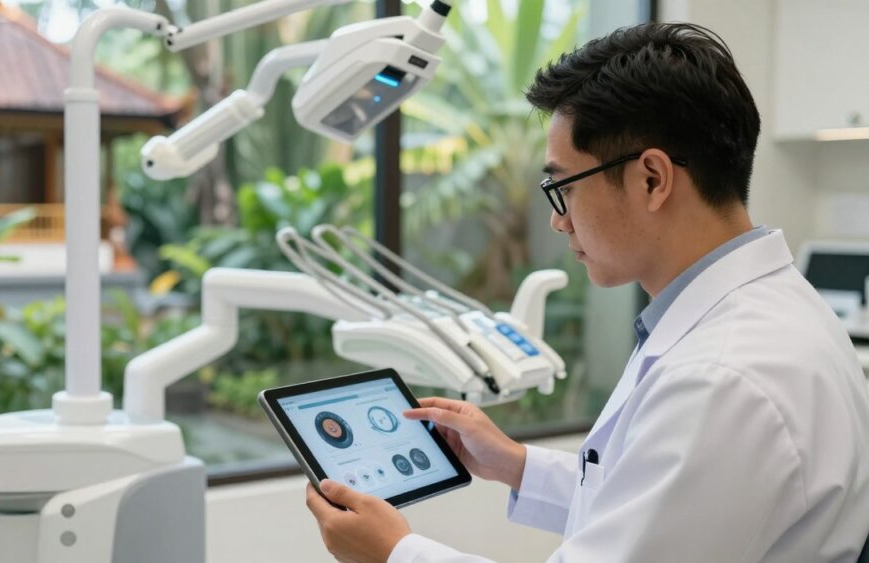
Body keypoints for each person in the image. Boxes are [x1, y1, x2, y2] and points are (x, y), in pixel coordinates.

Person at [305, 22, 869, 562]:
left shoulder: (722, 379)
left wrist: (395, 552)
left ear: (652, 178)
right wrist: (518, 465)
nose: (558, 220)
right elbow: (662, 512)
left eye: (563, 187)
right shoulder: (772, 311)